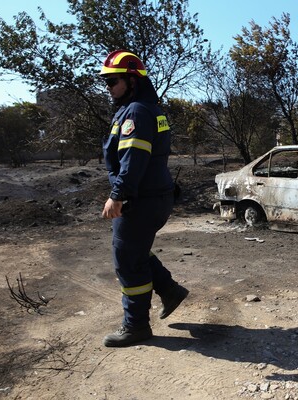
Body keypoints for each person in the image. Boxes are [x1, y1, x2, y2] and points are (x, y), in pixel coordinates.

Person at [99, 50, 189, 347]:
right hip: (155, 195)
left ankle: (136, 325)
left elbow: (133, 159)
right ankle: (170, 290)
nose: (108, 87)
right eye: (106, 82)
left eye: (113, 81)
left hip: (140, 198)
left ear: (132, 80)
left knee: (126, 258)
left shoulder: (136, 111)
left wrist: (118, 195)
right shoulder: (146, 108)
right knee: (135, 251)